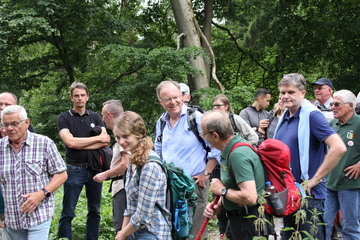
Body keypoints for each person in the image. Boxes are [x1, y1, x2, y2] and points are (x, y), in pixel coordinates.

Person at [273, 73, 346, 240]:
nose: (286, 96)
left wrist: (315, 179)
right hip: (289, 193)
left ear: (303, 93)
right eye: (283, 92)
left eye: (291, 92)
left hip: (309, 196)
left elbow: (339, 147)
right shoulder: (285, 117)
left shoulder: (312, 116)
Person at [154, 80, 220, 239]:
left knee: (195, 232)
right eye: (167, 99)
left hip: (195, 183)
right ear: (160, 102)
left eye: (176, 97)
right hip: (170, 187)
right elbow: (157, 152)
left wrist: (206, 173)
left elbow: (217, 147)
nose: (173, 102)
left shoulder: (196, 118)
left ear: (182, 96)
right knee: (175, 231)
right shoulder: (161, 121)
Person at [0, 105, 67, 239]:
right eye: (5, 124)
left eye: (14, 124)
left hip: (39, 216)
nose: (9, 128)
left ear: (27, 123)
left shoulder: (44, 143)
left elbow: (61, 174)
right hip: (13, 221)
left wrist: (42, 194)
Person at [57, 82, 111, 240]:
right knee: (68, 211)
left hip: (95, 169)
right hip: (74, 169)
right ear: (71, 98)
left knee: (95, 210)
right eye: (76, 96)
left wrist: (78, 143)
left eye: (82, 95)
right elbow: (70, 142)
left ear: (87, 97)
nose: (79, 98)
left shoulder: (94, 116)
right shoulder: (64, 118)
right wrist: (94, 140)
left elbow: (105, 141)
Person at [201, 110, 265, 240]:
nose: (203, 138)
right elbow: (235, 187)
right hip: (237, 219)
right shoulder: (228, 150)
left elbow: (250, 197)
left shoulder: (238, 154)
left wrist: (222, 190)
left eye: (204, 134)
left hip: (248, 222)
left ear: (215, 135)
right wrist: (219, 205)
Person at [114, 111, 171, 240]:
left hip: (153, 232)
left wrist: (123, 234)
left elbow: (143, 215)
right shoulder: (132, 161)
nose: (121, 142)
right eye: (117, 137)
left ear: (138, 135)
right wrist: (122, 234)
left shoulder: (150, 166)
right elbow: (129, 207)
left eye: (125, 136)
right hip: (134, 232)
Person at [325, 90, 360, 240]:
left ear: (350, 106)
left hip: (350, 184)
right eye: (332, 104)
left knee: (350, 226)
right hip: (329, 183)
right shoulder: (332, 123)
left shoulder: (358, 124)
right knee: (323, 223)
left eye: (337, 104)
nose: (333, 107)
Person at [93, 100, 130, 233]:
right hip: (123, 186)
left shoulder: (122, 133)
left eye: (103, 116)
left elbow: (125, 164)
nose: (102, 119)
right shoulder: (126, 130)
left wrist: (105, 174)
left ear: (109, 115)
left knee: (122, 228)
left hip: (123, 186)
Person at [0, 92, 37, 222]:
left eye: (7, 104)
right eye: (0, 104)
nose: (3, 107)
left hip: (24, 201)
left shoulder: (26, 128)